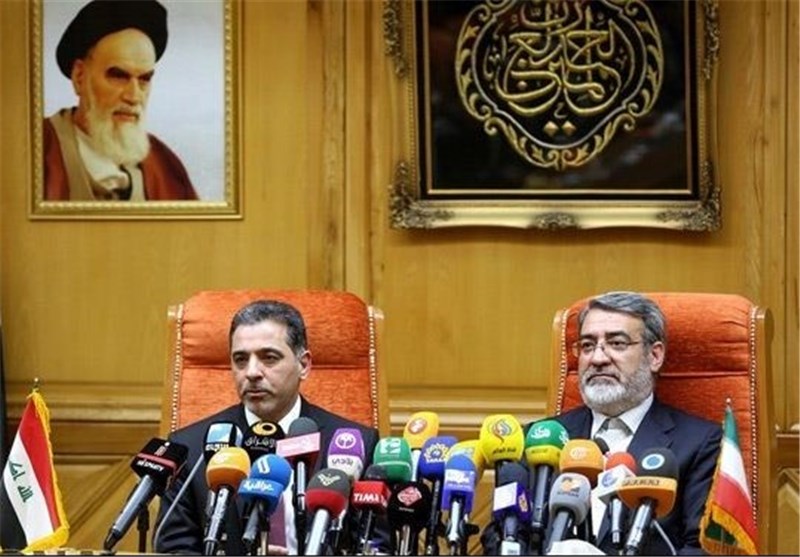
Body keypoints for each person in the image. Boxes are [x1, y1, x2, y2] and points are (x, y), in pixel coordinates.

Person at [481, 291, 722, 555]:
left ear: (654, 356)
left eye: (617, 343)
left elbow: (702, 550)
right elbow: (499, 537)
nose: (597, 358)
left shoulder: (701, 443)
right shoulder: (539, 440)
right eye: (587, 345)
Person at [154, 299, 382, 555]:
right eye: (240, 359)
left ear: (304, 365)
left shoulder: (355, 445)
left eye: (269, 358)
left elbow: (378, 545)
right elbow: (174, 549)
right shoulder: (191, 448)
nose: (252, 372)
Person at [43, 0, 198, 201]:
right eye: (118, 76)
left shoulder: (165, 166)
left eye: (144, 79)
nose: (134, 96)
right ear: (80, 77)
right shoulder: (33, 150)